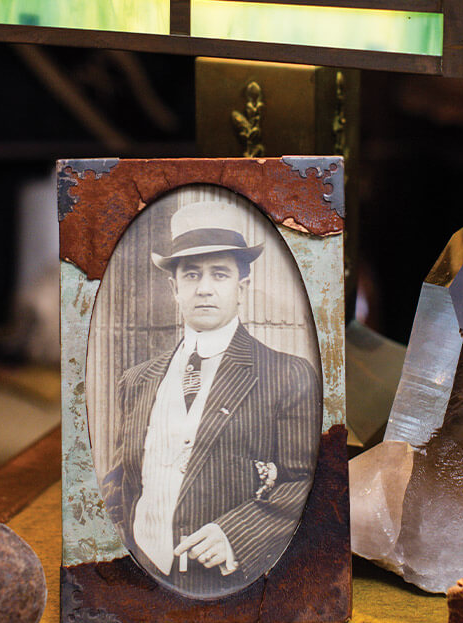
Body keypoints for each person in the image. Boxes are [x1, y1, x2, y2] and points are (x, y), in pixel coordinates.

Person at [103, 201, 321, 599]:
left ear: (241, 288)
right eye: (191, 274)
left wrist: (236, 534)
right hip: (142, 580)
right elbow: (121, 482)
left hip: (227, 586)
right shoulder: (137, 380)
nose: (204, 288)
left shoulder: (287, 375)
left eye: (219, 273)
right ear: (175, 288)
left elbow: (305, 482)